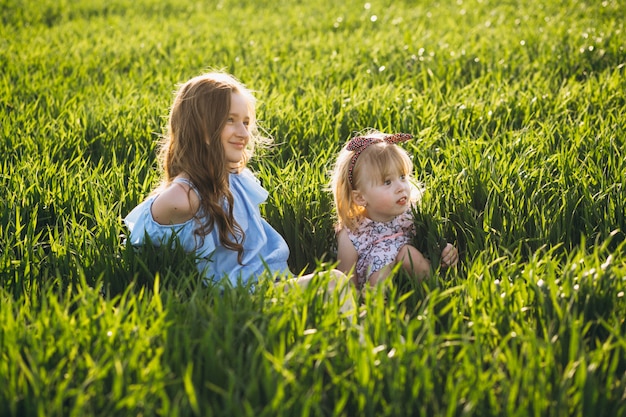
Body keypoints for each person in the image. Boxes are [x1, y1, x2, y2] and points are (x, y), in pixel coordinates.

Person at [124, 72, 353, 312]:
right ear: (199, 126)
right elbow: (141, 238)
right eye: (229, 120)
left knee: (336, 288)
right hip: (239, 299)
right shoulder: (183, 196)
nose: (244, 133)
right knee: (334, 282)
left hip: (273, 282)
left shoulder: (236, 179)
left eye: (245, 122)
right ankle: (360, 344)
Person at [330, 130, 459, 290]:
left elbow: (431, 246)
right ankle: (376, 303)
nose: (401, 187)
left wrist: (446, 254)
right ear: (361, 198)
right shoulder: (352, 233)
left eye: (402, 177)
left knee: (407, 253)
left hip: (413, 270)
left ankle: (434, 287)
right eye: (387, 182)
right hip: (374, 285)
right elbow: (346, 280)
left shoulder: (412, 215)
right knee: (380, 274)